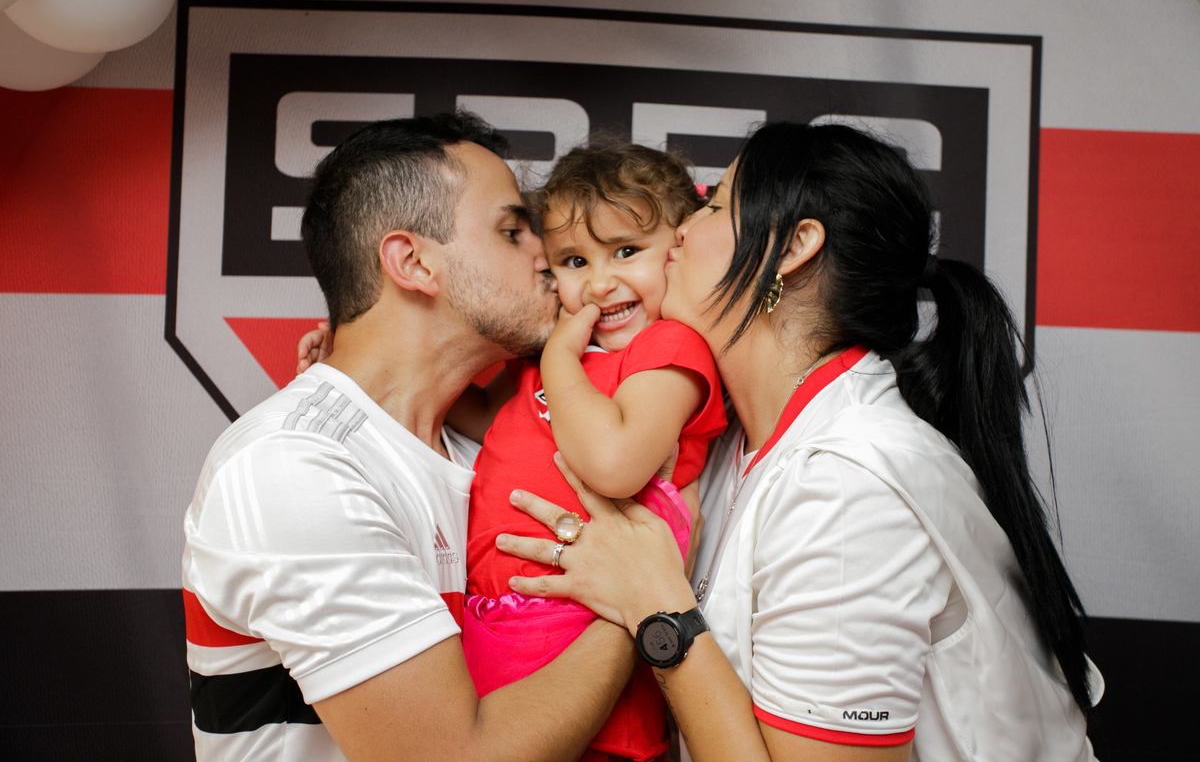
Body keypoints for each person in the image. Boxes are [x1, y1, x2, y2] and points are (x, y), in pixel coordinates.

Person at [499, 122, 1102, 761]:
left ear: (791, 246)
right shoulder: (730, 434)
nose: (679, 230)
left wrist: (656, 606)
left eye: (713, 206)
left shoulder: (846, 488)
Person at [181, 112, 637, 762]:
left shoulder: (488, 448)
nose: (547, 255)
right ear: (413, 262)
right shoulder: (292, 467)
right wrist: (644, 604)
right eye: (512, 231)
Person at [455, 144, 726, 761]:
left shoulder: (667, 348)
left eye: (627, 251)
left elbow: (613, 464)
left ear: (678, 247)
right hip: (499, 622)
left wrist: (558, 358)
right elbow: (485, 417)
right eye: (576, 261)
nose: (601, 284)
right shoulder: (557, 353)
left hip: (589, 634)